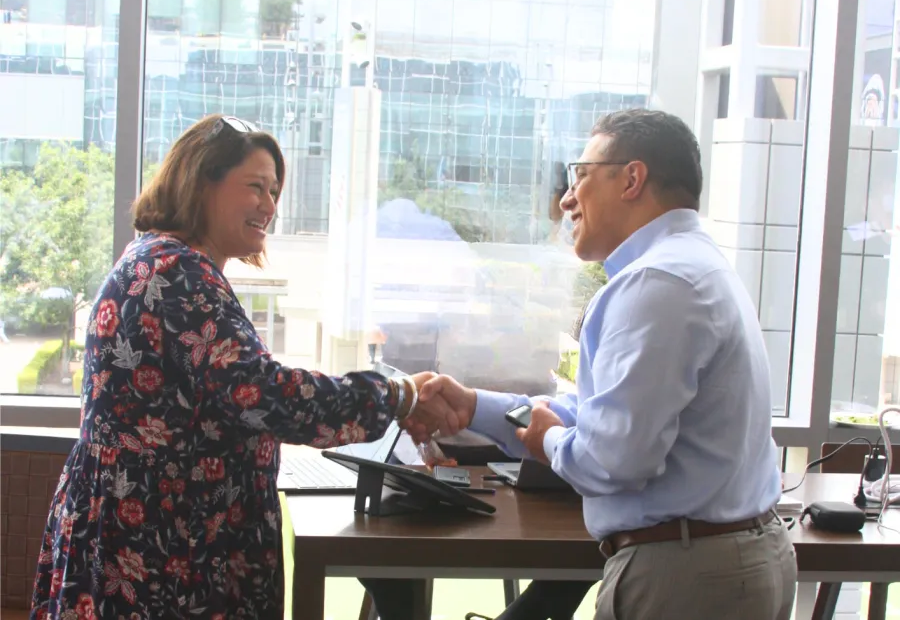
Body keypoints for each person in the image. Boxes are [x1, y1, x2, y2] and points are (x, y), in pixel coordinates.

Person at [30, 114, 436, 619]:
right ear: (202, 182)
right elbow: (266, 396)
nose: (269, 206)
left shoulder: (159, 259)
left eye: (274, 192)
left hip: (146, 533)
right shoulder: (179, 275)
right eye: (255, 188)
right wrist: (396, 395)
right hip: (164, 548)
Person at [406, 108, 797, 620]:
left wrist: (545, 439)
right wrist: (475, 406)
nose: (567, 198)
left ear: (632, 178)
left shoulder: (658, 284)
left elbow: (615, 458)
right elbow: (601, 412)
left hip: (687, 578)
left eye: (580, 175)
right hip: (718, 561)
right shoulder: (688, 266)